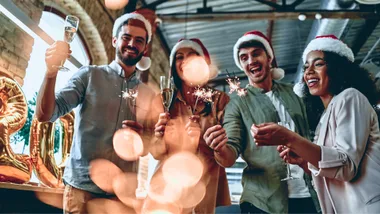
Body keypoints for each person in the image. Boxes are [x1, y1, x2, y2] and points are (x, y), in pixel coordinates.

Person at [35, 11, 156, 213]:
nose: (132, 44)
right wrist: (51, 72)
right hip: (81, 192)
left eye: (139, 40)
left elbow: (150, 147)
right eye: (126, 37)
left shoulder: (149, 95)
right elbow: (45, 114)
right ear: (115, 40)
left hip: (123, 197)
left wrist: (144, 139)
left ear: (145, 49)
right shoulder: (89, 75)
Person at [252, 35, 380, 213]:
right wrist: (304, 162)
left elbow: (346, 167)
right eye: (306, 67)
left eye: (318, 64)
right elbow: (332, 173)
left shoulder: (350, 97)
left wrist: (290, 139)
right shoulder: (324, 118)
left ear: (337, 68)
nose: (309, 72)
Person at [214, 30, 320, 213]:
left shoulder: (296, 93)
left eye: (256, 54)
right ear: (241, 65)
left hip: (309, 195)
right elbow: (229, 155)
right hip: (263, 201)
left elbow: (316, 135)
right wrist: (219, 147)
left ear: (269, 58)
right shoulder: (237, 103)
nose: (251, 61)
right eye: (244, 58)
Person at [150, 38, 231, 213]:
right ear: (174, 66)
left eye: (192, 55)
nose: (185, 61)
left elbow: (229, 153)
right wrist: (159, 137)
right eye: (179, 57)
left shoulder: (220, 100)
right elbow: (155, 153)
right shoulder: (163, 101)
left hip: (207, 188)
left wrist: (202, 139)